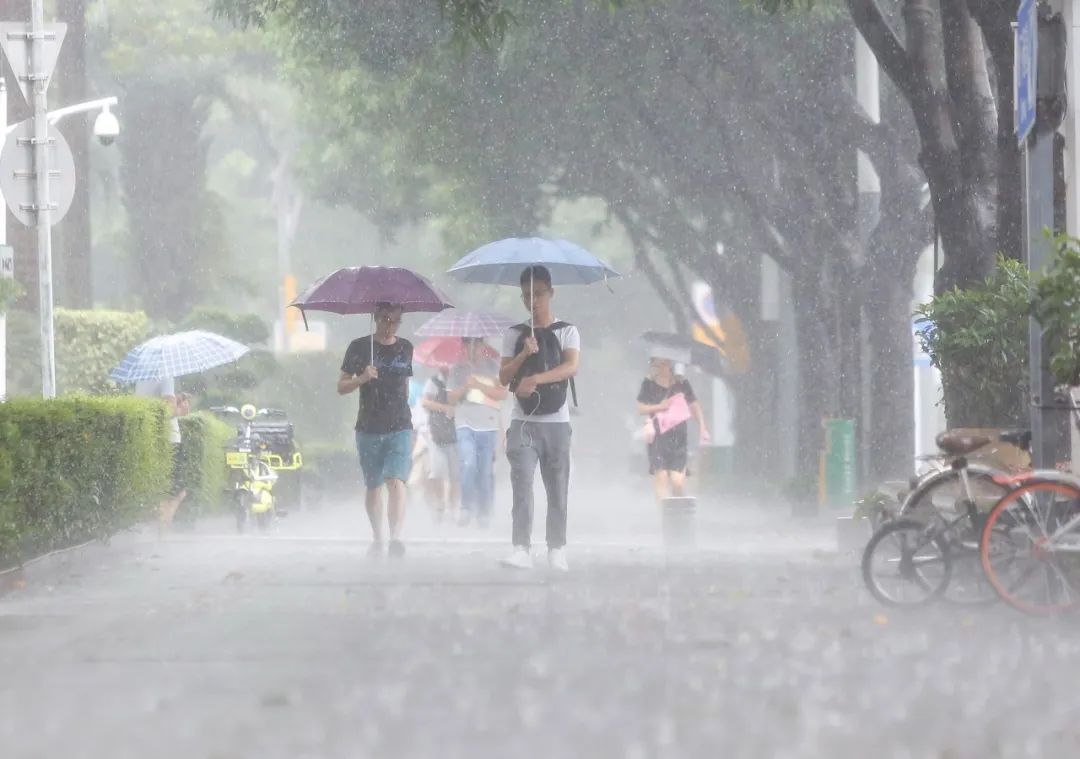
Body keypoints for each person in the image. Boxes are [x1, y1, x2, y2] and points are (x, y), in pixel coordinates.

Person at [498, 265, 579, 572]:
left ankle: (556, 548)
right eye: (527, 295)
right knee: (522, 482)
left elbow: (571, 367)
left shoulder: (568, 331)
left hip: (557, 423)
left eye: (539, 294)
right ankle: (521, 548)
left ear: (551, 293)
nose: (533, 301)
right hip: (522, 421)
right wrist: (523, 355)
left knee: (557, 486)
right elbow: (503, 377)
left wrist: (538, 378)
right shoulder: (514, 334)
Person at [338, 302, 414, 559]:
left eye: (394, 321)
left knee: (396, 480)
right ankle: (378, 537)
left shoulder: (406, 348)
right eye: (383, 319)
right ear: (375, 318)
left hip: (400, 425)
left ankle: (395, 538)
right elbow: (341, 386)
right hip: (369, 426)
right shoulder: (359, 347)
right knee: (373, 485)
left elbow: (405, 384)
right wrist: (361, 378)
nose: (388, 325)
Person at [447, 337, 507, 528]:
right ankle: (466, 507)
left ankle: (485, 511)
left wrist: (479, 385)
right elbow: (451, 398)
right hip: (464, 424)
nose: (473, 348)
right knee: (468, 463)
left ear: (483, 345)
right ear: (464, 346)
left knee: (485, 471)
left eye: (478, 343)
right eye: (469, 343)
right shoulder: (457, 368)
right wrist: (466, 385)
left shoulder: (493, 367)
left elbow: (502, 394)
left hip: (488, 426)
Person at [636, 356, 710, 502]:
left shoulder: (681, 383)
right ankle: (664, 514)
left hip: (678, 437)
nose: (661, 366)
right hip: (657, 437)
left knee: (678, 483)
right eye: (658, 363)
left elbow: (694, 406)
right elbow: (641, 408)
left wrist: (702, 426)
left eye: (664, 363)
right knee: (661, 477)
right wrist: (660, 407)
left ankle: (680, 510)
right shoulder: (648, 383)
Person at [134, 377, 190, 533]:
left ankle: (159, 527)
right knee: (176, 491)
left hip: (150, 436)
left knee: (162, 489)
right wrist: (181, 410)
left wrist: (176, 398)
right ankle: (162, 529)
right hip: (169, 439)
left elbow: (153, 405)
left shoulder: (142, 377)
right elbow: (168, 410)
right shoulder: (166, 375)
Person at [420, 366, 461, 523]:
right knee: (437, 473)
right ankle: (440, 505)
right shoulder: (433, 382)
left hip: (456, 434)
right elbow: (425, 402)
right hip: (437, 435)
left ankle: (454, 508)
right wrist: (444, 408)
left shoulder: (460, 381)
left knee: (455, 475)